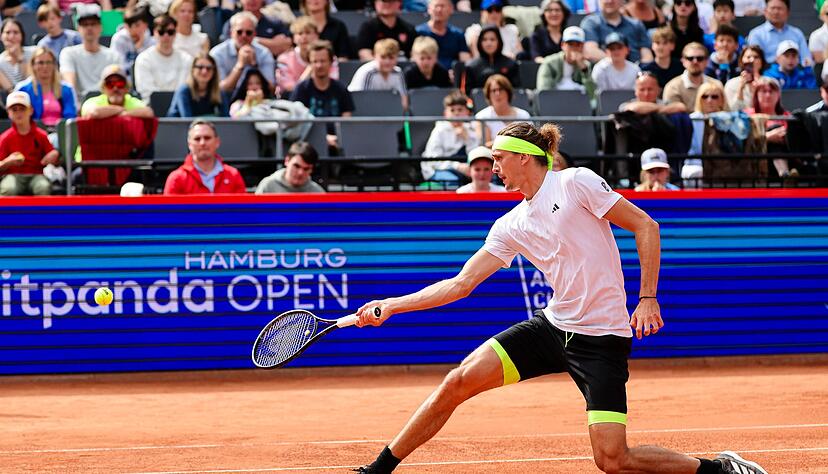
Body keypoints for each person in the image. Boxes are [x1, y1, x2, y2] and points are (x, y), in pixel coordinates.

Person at [351, 120, 769, 474]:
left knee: (612, 459)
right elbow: (460, 284)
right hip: (551, 328)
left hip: (601, 339)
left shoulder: (576, 183)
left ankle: (719, 469)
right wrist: (392, 305)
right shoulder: (509, 224)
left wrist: (647, 298)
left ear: (523, 157)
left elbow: (646, 226)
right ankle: (379, 468)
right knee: (458, 380)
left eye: (498, 157)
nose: (493, 166)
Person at [290, 40, 354, 149]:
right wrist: (323, 138)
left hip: (337, 143)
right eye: (315, 61)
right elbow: (296, 123)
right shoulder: (301, 89)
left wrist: (337, 138)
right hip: (308, 142)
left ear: (331, 62)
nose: (319, 65)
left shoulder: (341, 89)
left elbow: (346, 121)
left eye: (323, 61)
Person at [164, 119, 247, 195]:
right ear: (189, 144)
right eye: (197, 139)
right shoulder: (176, 178)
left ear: (217, 142)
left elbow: (243, 210)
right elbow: (168, 211)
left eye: (207, 138)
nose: (202, 143)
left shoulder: (233, 175)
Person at [0, 91, 59, 196]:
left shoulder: (41, 135)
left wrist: (53, 154)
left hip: (36, 175)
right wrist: (8, 161)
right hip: (12, 175)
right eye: (14, 110)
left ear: (30, 110)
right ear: (8, 113)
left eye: (22, 109)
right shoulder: (5, 138)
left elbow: (52, 154)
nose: (18, 113)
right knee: (9, 189)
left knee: (43, 187)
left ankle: (42, 212)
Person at [59, 4, 121, 99]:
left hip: (107, 102)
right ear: (78, 28)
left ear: (101, 27)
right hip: (81, 104)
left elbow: (118, 86)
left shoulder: (113, 55)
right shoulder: (68, 53)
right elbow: (69, 85)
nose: (89, 28)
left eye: (93, 24)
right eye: (85, 24)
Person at [210, 12, 275, 93]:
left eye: (248, 32)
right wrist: (239, 66)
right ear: (231, 33)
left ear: (254, 34)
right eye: (239, 32)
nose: (244, 36)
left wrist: (254, 66)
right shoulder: (217, 53)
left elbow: (271, 88)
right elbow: (221, 89)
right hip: (227, 100)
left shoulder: (264, 53)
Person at [421, 89, 478, 182]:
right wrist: (457, 166)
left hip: (466, 171)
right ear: (445, 114)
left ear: (468, 113)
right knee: (453, 182)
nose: (456, 113)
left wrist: (467, 138)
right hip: (437, 170)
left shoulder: (471, 129)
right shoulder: (439, 130)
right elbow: (433, 161)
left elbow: (475, 156)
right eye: (452, 110)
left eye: (460, 110)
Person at [744, 76, 794, 178]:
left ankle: (785, 174)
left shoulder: (787, 116)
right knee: (773, 129)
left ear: (778, 95)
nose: (768, 95)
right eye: (763, 91)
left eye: (771, 91)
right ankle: (785, 174)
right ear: (756, 95)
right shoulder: (747, 115)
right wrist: (767, 137)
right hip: (756, 160)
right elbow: (743, 141)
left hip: (789, 158)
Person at [15, 47, 78, 128]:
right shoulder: (22, 89)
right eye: (40, 63)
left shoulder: (67, 89)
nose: (45, 66)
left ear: (54, 65)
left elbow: (71, 117)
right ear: (33, 65)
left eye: (49, 62)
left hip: (60, 133)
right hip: (33, 132)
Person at [134, 15, 192, 102]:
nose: (166, 36)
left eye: (170, 32)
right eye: (161, 32)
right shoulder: (144, 59)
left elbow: (186, 88)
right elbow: (147, 92)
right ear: (154, 33)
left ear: (175, 33)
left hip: (180, 106)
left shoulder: (186, 59)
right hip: (152, 107)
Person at [277, 17, 341, 96]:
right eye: (300, 33)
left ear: (317, 35)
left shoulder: (328, 57)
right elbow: (289, 89)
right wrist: (310, 69)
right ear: (293, 38)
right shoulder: (284, 60)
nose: (304, 37)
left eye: (308, 33)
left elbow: (332, 83)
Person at [580, 0, 652, 64]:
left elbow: (647, 55)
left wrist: (635, 70)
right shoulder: (591, 23)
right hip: (605, 73)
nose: (610, 1)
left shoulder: (636, 24)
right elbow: (590, 51)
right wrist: (619, 64)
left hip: (636, 73)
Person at [685, 81, 729, 181]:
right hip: (695, 164)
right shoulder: (692, 119)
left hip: (724, 165)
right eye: (705, 96)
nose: (709, 100)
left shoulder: (729, 120)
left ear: (722, 100)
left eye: (714, 97)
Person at [348, 38, 409, 111]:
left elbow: (404, 102)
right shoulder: (368, 73)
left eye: (391, 58)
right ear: (375, 56)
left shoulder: (398, 73)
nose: (387, 62)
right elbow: (363, 101)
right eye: (383, 57)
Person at [746, 0, 812, 66]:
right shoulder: (756, 34)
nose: (776, 12)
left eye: (779, 8)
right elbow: (755, 62)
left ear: (788, 12)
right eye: (772, 8)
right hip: (766, 74)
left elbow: (806, 59)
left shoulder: (797, 33)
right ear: (765, 11)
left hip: (795, 73)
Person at [537, 26, 595, 97]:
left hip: (577, 103)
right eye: (570, 44)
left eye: (578, 44)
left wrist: (584, 70)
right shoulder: (549, 63)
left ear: (582, 46)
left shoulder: (586, 65)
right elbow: (544, 92)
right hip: (555, 101)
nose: (574, 48)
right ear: (563, 45)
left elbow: (592, 95)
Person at [663, 42, 723, 111]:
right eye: (690, 58)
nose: (695, 61)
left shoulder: (717, 85)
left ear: (707, 61)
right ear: (683, 61)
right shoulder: (673, 87)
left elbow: (725, 112)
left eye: (699, 58)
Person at [474, 74, 531, 146]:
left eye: (500, 89)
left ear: (508, 92)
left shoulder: (524, 115)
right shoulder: (481, 117)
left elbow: (529, 141)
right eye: (493, 90)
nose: (497, 93)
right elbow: (485, 145)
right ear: (488, 95)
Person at [220, 0, 292, 57]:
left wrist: (250, 40)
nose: (252, 0)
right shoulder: (231, 23)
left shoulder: (274, 22)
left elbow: (286, 45)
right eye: (239, 32)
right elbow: (231, 48)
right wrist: (271, 43)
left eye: (249, 33)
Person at [462, 26, 520, 94]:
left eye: (492, 39)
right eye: (484, 40)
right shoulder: (471, 66)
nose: (488, 43)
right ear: (480, 42)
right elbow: (466, 93)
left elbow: (517, 90)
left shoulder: (511, 64)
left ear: (499, 41)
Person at [415, 0, 471, 70]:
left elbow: (465, 60)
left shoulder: (458, 34)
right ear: (429, 9)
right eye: (436, 6)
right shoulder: (418, 32)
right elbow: (414, 58)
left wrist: (457, 73)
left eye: (442, 6)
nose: (439, 9)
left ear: (451, 9)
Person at [255, 141, 325, 193]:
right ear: (287, 161)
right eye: (296, 166)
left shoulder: (318, 192)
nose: (300, 172)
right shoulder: (267, 186)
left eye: (306, 169)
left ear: (311, 170)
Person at [110, 7, 154, 85]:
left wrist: (140, 47)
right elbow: (117, 66)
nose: (132, 29)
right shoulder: (118, 39)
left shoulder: (152, 42)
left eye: (137, 25)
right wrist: (136, 48)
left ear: (145, 25)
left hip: (146, 80)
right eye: (129, 25)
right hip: (124, 81)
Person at [619, 71, 687, 114]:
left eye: (650, 89)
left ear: (658, 90)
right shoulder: (626, 105)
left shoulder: (664, 103)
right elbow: (633, 108)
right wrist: (662, 109)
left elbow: (681, 107)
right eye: (642, 90)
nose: (646, 94)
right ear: (635, 91)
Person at [723, 44, 766, 110]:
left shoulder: (770, 83)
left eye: (756, 57)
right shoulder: (731, 84)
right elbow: (732, 110)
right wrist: (741, 88)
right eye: (748, 57)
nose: (752, 60)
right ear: (741, 61)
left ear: (762, 62)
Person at [0, 19, 35, 93]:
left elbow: (30, 85)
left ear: (22, 35)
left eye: (16, 32)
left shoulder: (34, 53)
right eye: (7, 32)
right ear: (1, 36)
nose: (11, 36)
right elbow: (10, 90)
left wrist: (20, 58)